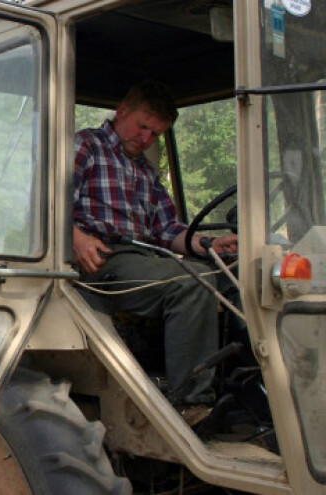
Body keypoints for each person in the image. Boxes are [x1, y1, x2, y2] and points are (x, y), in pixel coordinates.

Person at [73, 80, 237, 409]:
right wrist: (73, 236)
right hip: (103, 261)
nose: (146, 138)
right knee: (189, 285)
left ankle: (245, 389)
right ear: (121, 112)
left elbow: (167, 229)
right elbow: (44, 203)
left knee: (235, 279)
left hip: (145, 259)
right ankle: (191, 404)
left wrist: (209, 244)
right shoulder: (86, 146)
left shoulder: (145, 171)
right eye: (142, 126)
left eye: (155, 134)